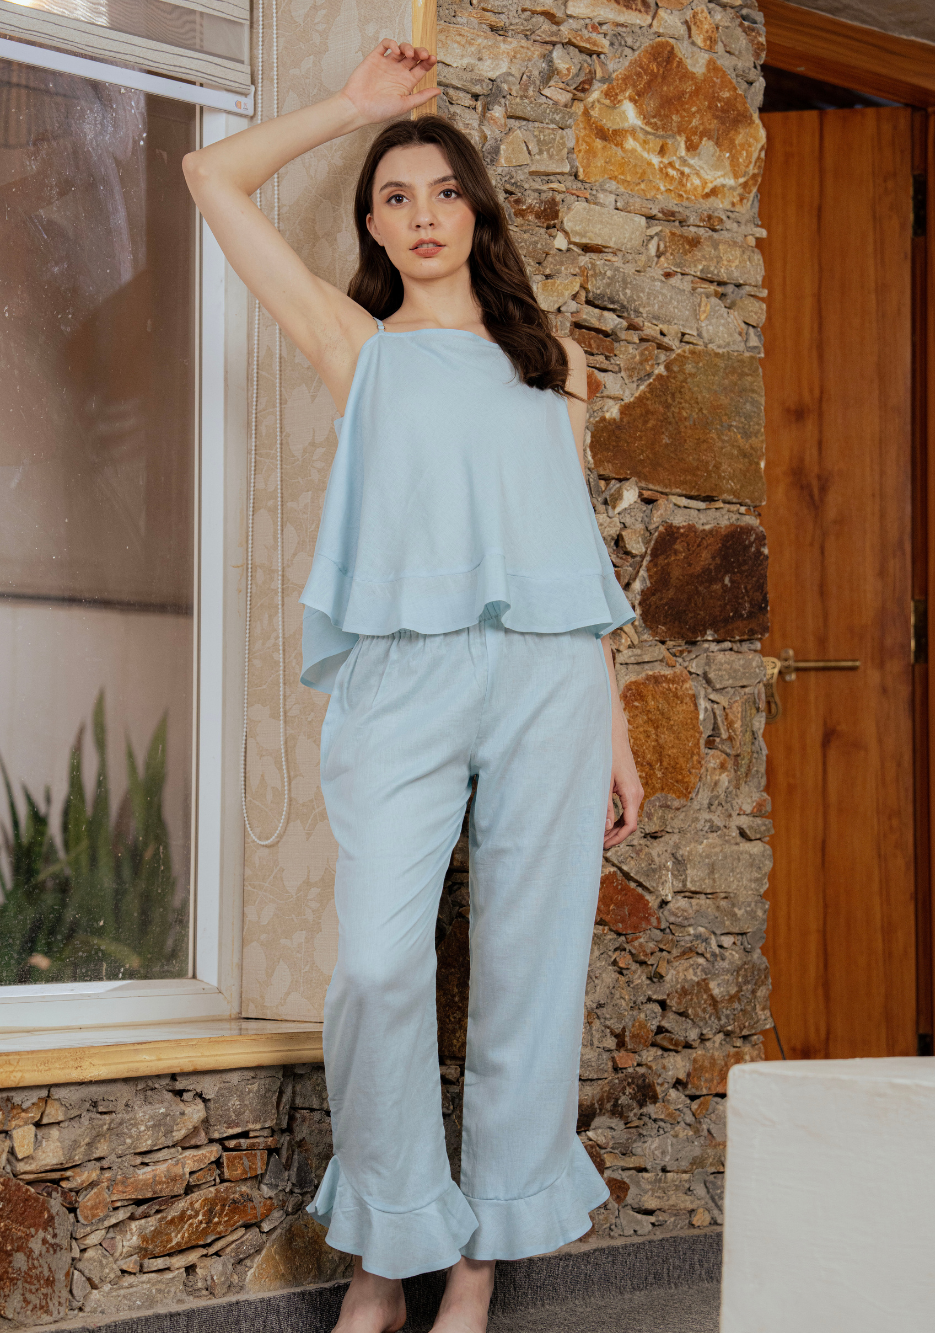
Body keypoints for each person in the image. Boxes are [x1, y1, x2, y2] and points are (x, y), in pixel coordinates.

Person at [183, 38, 643, 1333]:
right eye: (395, 197)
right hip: (402, 680)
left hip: (550, 681)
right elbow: (209, 175)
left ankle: (477, 1266)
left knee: (531, 977)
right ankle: (386, 1256)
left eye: (444, 191)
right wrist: (353, 106)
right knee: (381, 971)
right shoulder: (358, 346)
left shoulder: (555, 367)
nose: (423, 214)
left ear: (477, 213)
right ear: (375, 229)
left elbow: (573, 556)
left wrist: (614, 725)